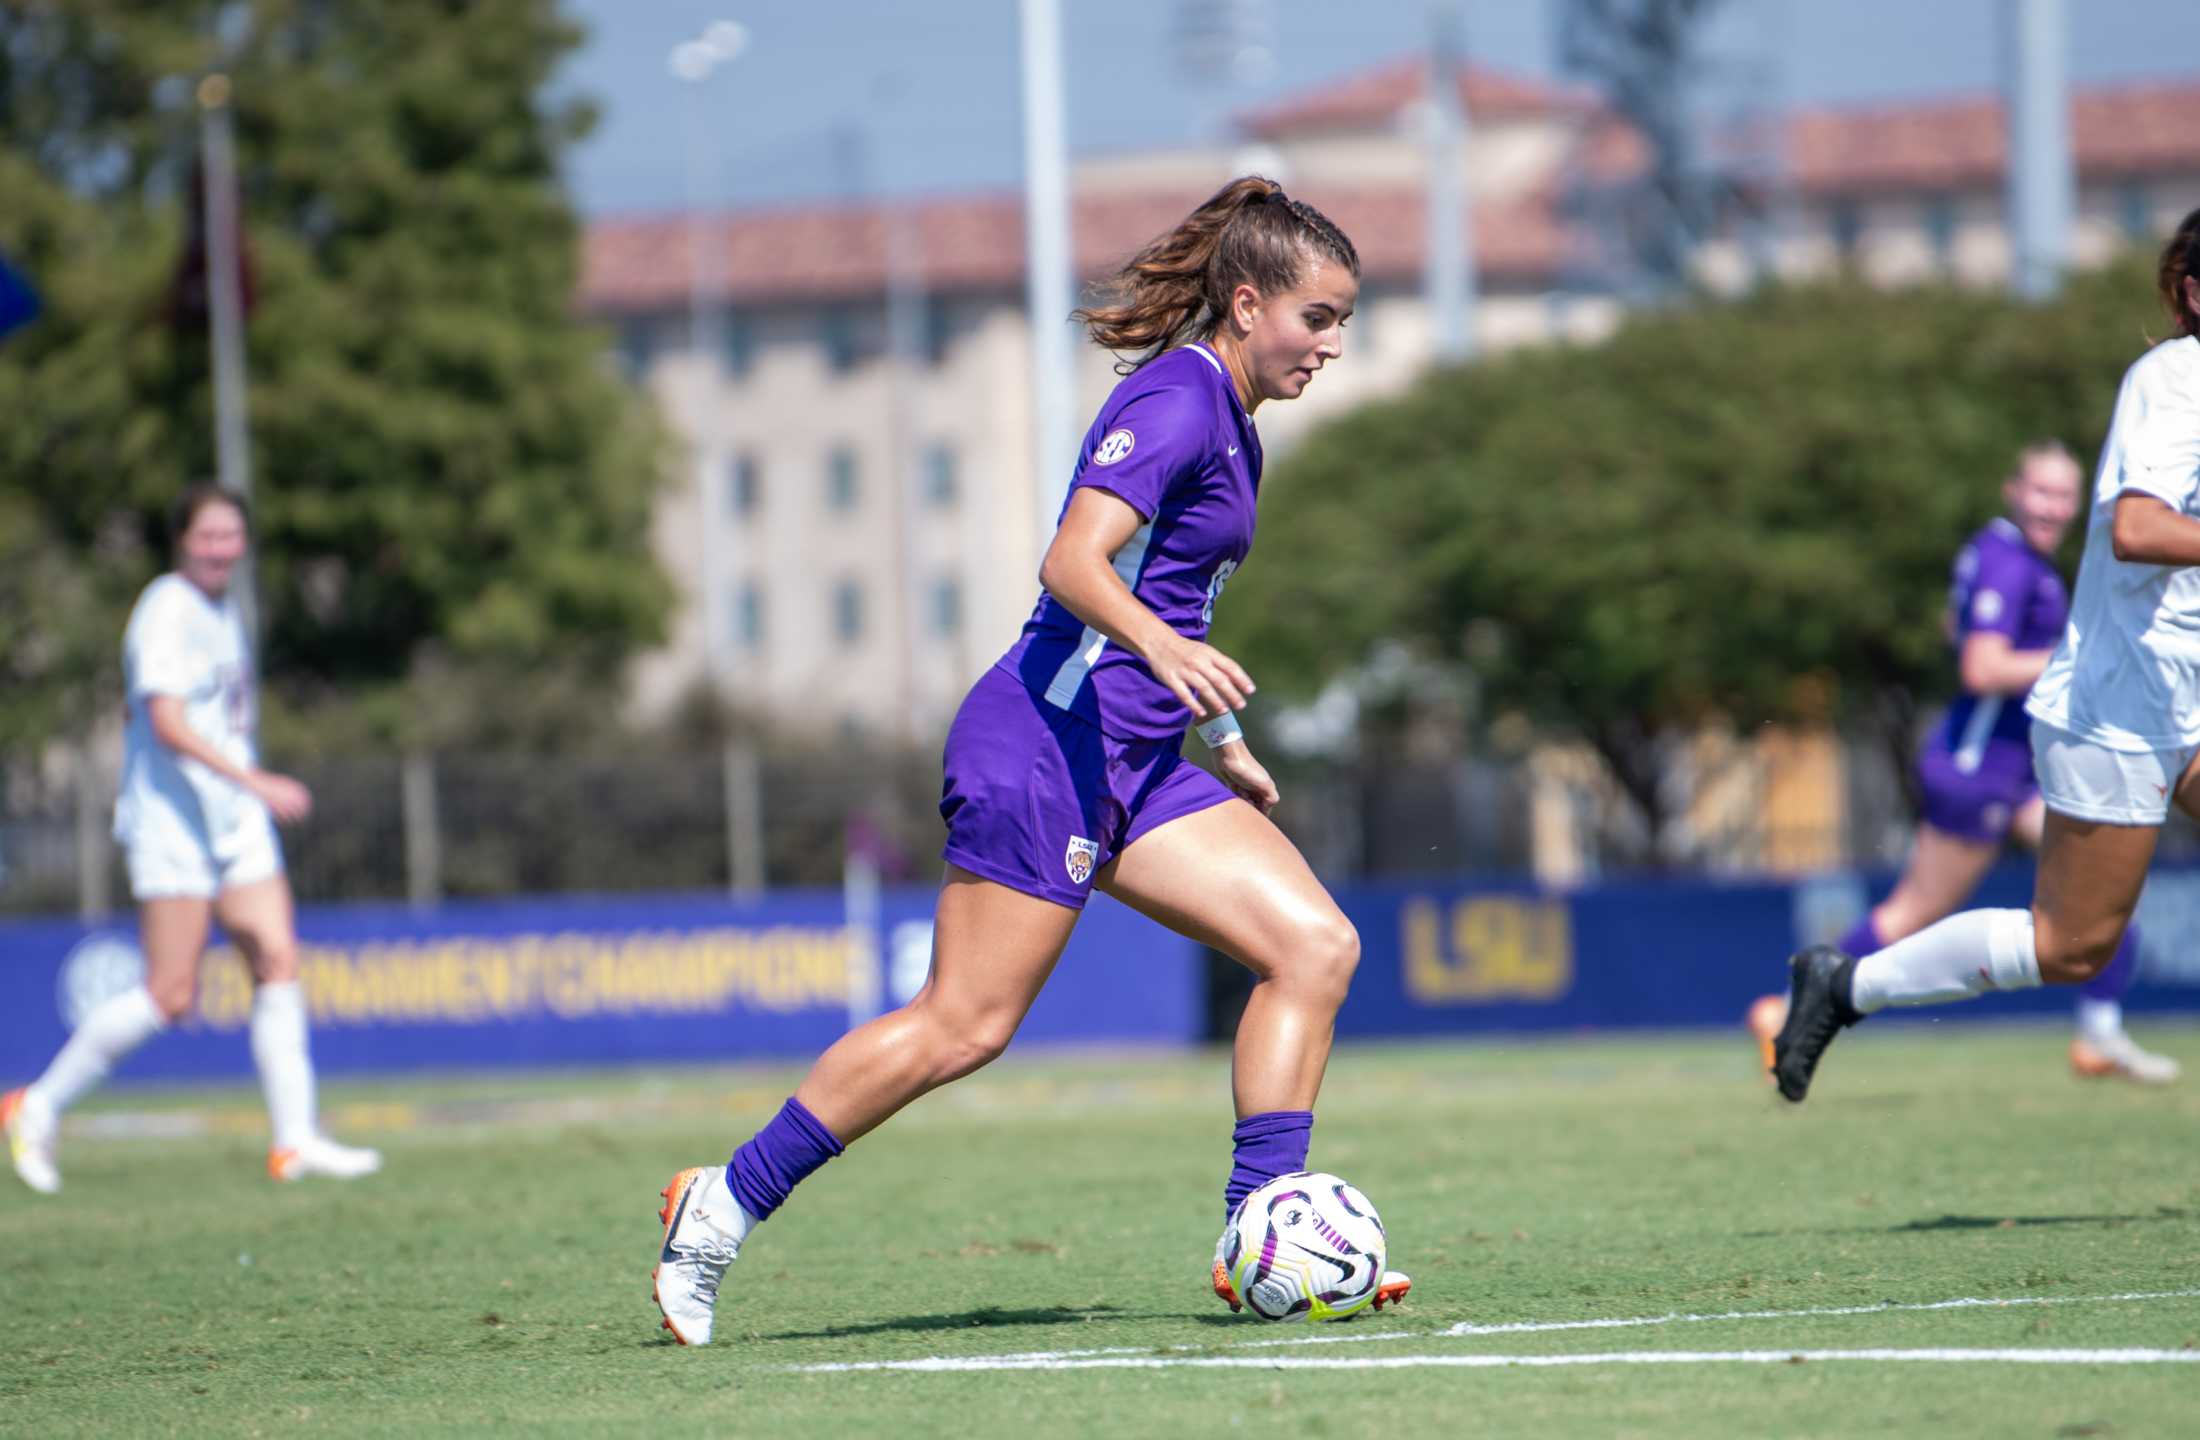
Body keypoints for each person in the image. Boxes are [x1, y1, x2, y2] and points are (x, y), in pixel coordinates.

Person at [648, 177, 1404, 1345]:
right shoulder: (1176, 401)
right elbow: (1072, 564)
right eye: (1319, 317)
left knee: (1311, 948)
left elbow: (1169, 600)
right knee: (964, 1025)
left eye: (1344, 320)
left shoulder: (1235, 424)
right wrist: (1163, 654)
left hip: (1138, 755)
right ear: (1247, 304)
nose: (1333, 345)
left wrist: (1225, 740)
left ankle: (1262, 1229)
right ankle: (722, 1203)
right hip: (1044, 743)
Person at [1772, 209, 2200, 1103]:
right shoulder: (2176, 376)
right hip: (2117, 709)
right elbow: (2137, 527)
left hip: (2182, 703)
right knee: (2069, 947)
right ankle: (1845, 985)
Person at [1749, 445, 2178, 1084]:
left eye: (2064, 495)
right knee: (1912, 914)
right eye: (2040, 492)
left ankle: (2099, 1034)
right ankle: (1788, 1008)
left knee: (2107, 884)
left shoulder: (2015, 560)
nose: (2053, 507)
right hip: (1979, 766)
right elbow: (1981, 666)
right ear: (2013, 490)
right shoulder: (2011, 561)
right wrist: (2082, 660)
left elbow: (1961, 628)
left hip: (2018, 769)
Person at [2, 485, 381, 1190]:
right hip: (174, 826)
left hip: (232, 823)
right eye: (208, 536)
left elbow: (169, 709)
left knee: (276, 958)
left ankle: (294, 1141)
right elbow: (169, 724)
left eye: (231, 535)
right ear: (181, 540)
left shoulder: (223, 612)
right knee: (171, 995)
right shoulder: (164, 609)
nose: (220, 549)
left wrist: (240, 792)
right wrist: (256, 781)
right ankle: (36, 1106)